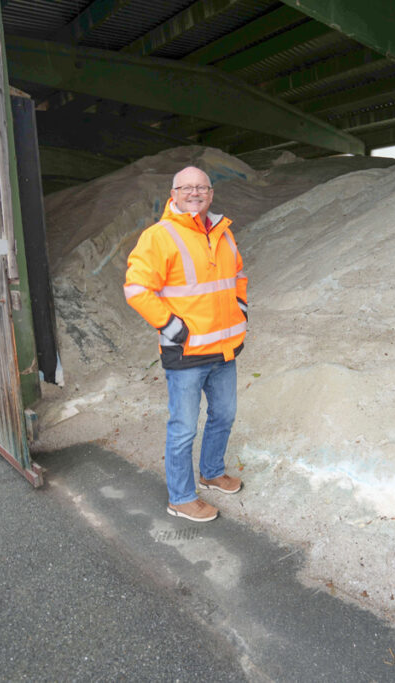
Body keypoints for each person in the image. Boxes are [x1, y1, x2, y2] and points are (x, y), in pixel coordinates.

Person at [124, 166, 248, 522]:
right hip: (187, 353)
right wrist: (172, 327)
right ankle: (180, 498)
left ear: (211, 192)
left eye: (202, 187)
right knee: (183, 428)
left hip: (225, 349)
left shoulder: (222, 232)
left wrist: (240, 307)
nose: (195, 193)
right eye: (187, 187)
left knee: (223, 415)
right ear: (174, 193)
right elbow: (136, 289)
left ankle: (211, 472)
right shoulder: (159, 236)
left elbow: (238, 275)